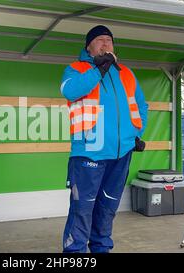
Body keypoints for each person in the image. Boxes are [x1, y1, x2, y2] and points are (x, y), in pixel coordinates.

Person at [60, 25, 148, 253]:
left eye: (109, 40)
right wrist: (97, 70)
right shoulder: (76, 69)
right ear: (88, 47)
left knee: (107, 208)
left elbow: (141, 105)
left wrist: (137, 134)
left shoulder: (126, 73)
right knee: (82, 209)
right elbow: (70, 92)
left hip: (121, 154)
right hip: (89, 152)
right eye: (99, 40)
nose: (105, 43)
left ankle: (101, 249)